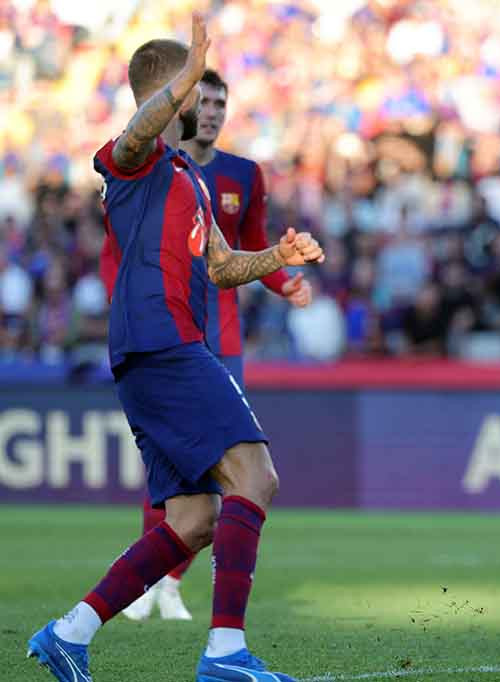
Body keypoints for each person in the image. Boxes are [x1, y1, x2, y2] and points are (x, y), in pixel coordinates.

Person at [27, 14, 323, 682]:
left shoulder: (185, 177)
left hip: (161, 349)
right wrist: (186, 73)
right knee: (257, 477)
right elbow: (136, 130)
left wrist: (275, 256)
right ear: (172, 90)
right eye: (192, 86)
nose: (201, 99)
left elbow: (218, 265)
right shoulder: (133, 162)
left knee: (192, 520)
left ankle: (68, 634)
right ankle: (225, 654)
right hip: (163, 343)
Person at [118, 67, 313, 623]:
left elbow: (246, 248)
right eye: (203, 102)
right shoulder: (155, 171)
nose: (211, 112)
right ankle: (149, 580)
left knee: (222, 472)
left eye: (220, 104)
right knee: (168, 470)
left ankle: (170, 585)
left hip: (219, 342)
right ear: (183, 108)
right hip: (164, 338)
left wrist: (283, 279)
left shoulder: (242, 175)